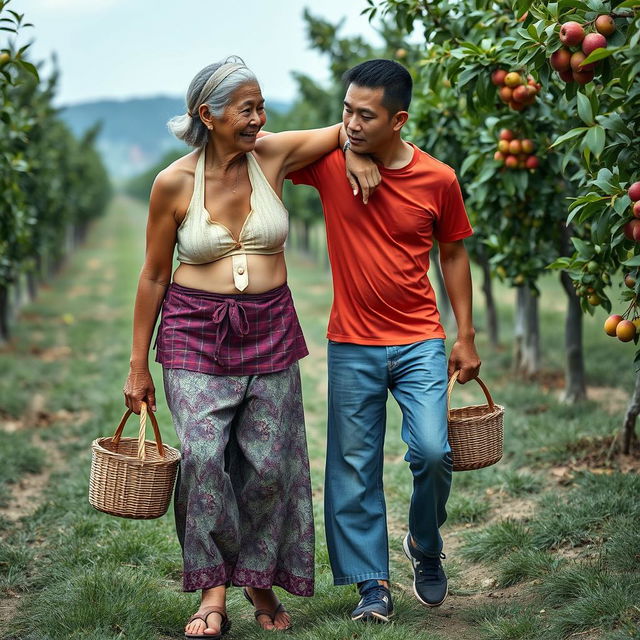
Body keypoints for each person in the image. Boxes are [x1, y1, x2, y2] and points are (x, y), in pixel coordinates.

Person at [122, 56, 377, 639]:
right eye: (247, 109)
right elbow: (154, 276)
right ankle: (213, 590)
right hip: (194, 331)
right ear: (207, 116)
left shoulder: (274, 156)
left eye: (262, 106)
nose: (259, 118)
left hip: (270, 328)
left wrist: (356, 150)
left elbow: (350, 130)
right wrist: (138, 365)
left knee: (268, 468)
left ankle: (259, 578)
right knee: (205, 458)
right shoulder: (174, 183)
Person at [288, 59, 482, 623]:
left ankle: (424, 542)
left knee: (432, 451)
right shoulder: (330, 163)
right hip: (352, 343)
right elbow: (267, 146)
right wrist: (345, 148)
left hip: (421, 337)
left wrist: (464, 335)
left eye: (363, 116)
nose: (350, 121)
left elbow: (452, 252)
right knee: (353, 469)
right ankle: (371, 584)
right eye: (345, 110)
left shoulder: (438, 179)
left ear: (398, 120)